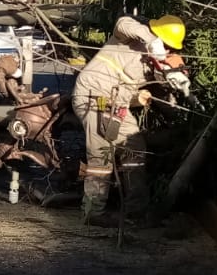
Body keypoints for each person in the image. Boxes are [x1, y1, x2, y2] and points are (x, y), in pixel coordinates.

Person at [71, 15, 187, 227]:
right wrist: (151, 40)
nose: (168, 50)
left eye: (171, 47)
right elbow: (122, 22)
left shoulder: (154, 64)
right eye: (166, 45)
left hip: (117, 107)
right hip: (93, 96)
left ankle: (136, 210)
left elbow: (137, 90)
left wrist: (174, 79)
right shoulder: (126, 38)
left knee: (135, 147)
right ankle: (92, 211)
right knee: (100, 155)